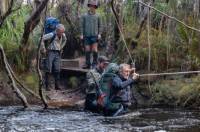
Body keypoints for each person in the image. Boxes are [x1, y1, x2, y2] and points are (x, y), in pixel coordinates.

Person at [41, 24, 67, 91]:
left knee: (57, 69)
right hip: (50, 52)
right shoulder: (51, 34)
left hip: (58, 53)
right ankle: (48, 86)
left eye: (63, 32)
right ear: (57, 30)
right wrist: (43, 49)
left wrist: (61, 47)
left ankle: (57, 86)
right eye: (61, 32)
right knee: (48, 68)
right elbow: (41, 38)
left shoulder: (63, 35)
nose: (62, 33)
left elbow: (65, 40)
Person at [80, 0, 102, 69]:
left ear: (95, 7)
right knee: (87, 50)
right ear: (89, 6)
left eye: (93, 6)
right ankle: (87, 64)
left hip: (95, 35)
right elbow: (81, 26)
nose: (92, 7)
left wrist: (99, 34)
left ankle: (94, 63)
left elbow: (100, 26)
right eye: (91, 6)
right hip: (86, 36)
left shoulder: (98, 16)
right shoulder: (84, 16)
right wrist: (81, 34)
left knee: (95, 50)